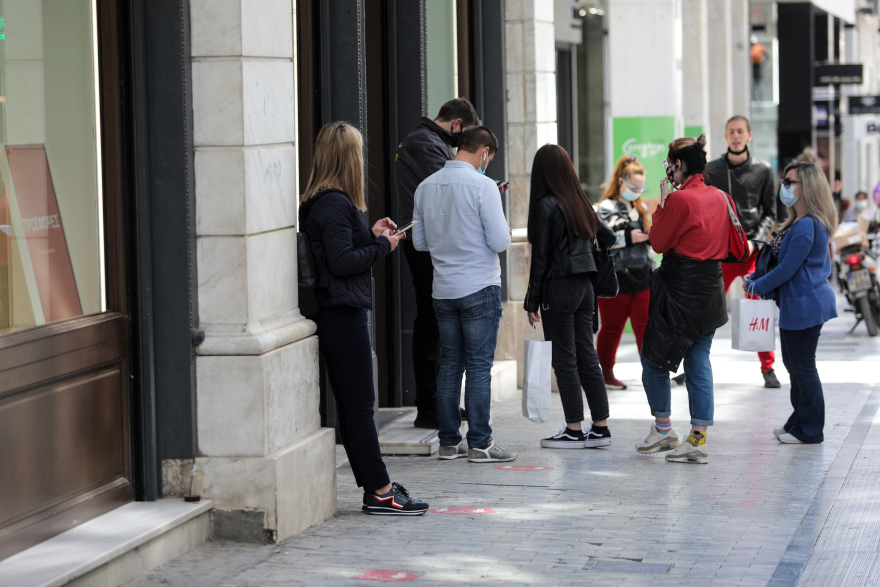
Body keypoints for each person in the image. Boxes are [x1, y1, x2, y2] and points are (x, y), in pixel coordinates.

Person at [300, 122, 428, 515]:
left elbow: (335, 249)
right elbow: (341, 262)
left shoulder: (323, 201)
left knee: (354, 405)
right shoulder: (334, 202)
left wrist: (371, 233)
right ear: (349, 158)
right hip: (342, 312)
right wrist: (382, 245)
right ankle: (381, 491)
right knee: (359, 406)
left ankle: (377, 487)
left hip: (337, 310)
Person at [412, 126, 515, 463]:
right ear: (483, 151)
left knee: (450, 366)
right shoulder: (484, 187)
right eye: (488, 157)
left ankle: (448, 442)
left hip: (443, 288)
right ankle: (481, 443)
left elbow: (420, 243)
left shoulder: (425, 187)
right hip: (479, 285)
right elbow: (500, 242)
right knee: (479, 366)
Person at [636, 134, 730, 465]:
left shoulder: (679, 200)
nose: (668, 172)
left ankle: (664, 428)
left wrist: (662, 203)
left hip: (679, 291)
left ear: (679, 165)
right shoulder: (720, 196)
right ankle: (698, 438)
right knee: (698, 361)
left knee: (653, 360)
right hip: (710, 289)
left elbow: (658, 242)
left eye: (669, 166)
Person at [523, 144, 617, 449]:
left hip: (559, 288)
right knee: (587, 356)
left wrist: (531, 300)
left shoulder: (545, 204)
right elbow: (609, 237)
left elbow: (541, 257)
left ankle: (574, 430)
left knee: (564, 360)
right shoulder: (579, 201)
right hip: (585, 287)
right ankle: (600, 427)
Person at [395, 98, 480, 429]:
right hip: (426, 244)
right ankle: (428, 406)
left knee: (440, 324)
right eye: (468, 133)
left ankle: (439, 404)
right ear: (457, 123)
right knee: (431, 323)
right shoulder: (424, 143)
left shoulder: (432, 142)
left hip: (433, 241)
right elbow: (448, 190)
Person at [744, 162, 838, 444]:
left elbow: (788, 269)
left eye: (790, 182)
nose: (783, 187)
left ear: (807, 187)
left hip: (806, 304)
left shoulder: (808, 225)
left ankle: (810, 430)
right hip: (798, 303)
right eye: (783, 181)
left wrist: (756, 285)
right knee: (794, 365)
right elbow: (780, 262)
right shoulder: (798, 222)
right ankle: (798, 421)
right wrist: (757, 275)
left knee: (803, 367)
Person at [704, 115, 781, 389]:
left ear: (749, 135)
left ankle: (768, 368)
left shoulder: (762, 170)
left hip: (751, 252)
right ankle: (693, 363)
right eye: (730, 132)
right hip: (721, 254)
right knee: (707, 308)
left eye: (740, 131)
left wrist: (755, 242)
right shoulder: (710, 169)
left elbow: (770, 214)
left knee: (758, 304)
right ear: (725, 136)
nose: (735, 136)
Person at [595, 155, 654, 390]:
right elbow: (600, 240)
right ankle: (606, 374)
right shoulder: (606, 207)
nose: (637, 191)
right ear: (621, 181)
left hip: (642, 275)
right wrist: (629, 237)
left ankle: (653, 373)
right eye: (633, 186)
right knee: (612, 327)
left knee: (646, 327)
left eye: (641, 187)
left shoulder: (638, 206)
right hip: (615, 277)